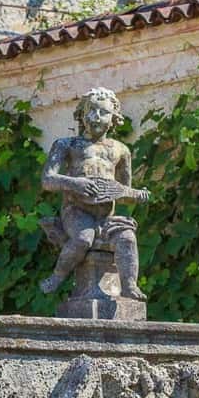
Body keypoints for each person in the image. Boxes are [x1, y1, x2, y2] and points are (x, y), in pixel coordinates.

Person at [39, 87, 149, 300]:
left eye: (103, 112)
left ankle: (129, 287)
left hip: (106, 216)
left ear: (114, 118)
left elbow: (123, 192)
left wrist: (136, 195)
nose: (96, 117)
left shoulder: (121, 150)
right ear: (82, 114)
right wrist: (74, 184)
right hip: (76, 211)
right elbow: (47, 180)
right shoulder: (66, 145)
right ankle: (57, 276)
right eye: (92, 111)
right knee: (84, 238)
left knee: (127, 238)